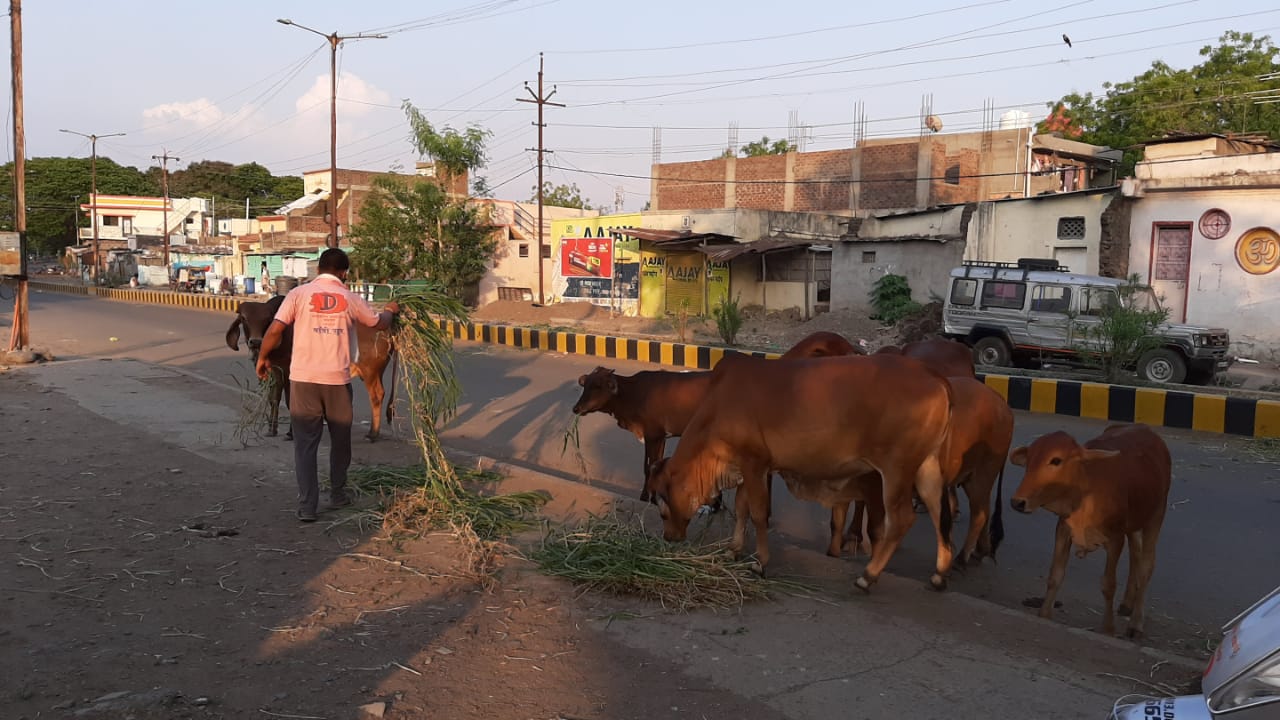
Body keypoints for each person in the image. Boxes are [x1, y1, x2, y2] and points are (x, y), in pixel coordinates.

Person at [256, 248, 399, 522]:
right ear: (344, 273)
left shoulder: (297, 295)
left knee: (305, 445)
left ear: (319, 269)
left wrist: (262, 358)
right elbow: (378, 324)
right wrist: (391, 310)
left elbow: (275, 330)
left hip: (303, 381)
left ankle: (307, 506)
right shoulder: (350, 297)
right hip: (336, 381)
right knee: (340, 441)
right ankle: (337, 493)